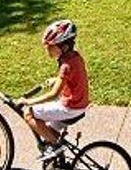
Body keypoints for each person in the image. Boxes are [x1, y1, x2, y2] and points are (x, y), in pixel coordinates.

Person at [20, 18, 89, 155]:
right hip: (79, 105)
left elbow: (53, 94)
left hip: (70, 108)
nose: (47, 49)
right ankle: (58, 156)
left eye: (50, 46)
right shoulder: (75, 57)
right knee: (50, 131)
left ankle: (57, 147)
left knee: (29, 114)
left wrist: (28, 102)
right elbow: (73, 78)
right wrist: (57, 80)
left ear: (63, 47)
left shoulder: (66, 66)